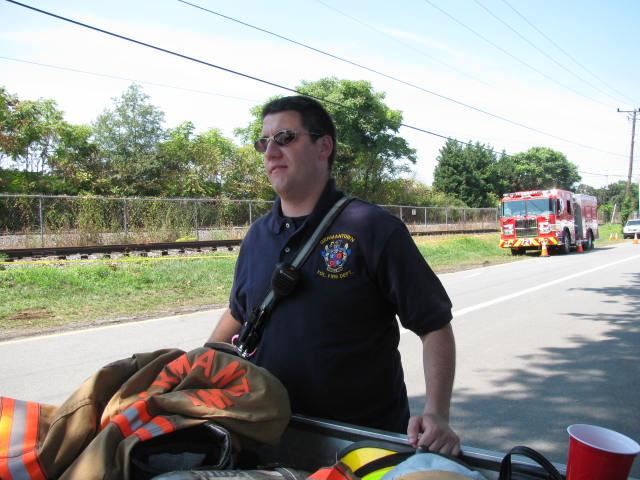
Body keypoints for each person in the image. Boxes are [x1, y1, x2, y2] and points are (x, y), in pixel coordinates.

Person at [207, 95, 460, 455]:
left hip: (360, 444)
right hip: (269, 434)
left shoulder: (373, 228)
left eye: (285, 138)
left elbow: (434, 325)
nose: (270, 152)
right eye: (264, 142)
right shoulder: (257, 236)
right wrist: (199, 367)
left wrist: (437, 413)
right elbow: (239, 312)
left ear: (323, 146)